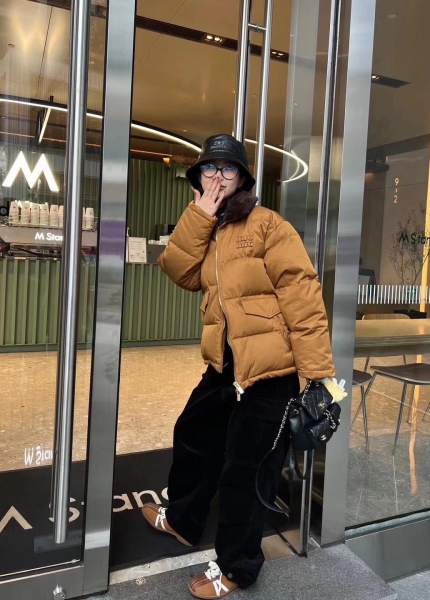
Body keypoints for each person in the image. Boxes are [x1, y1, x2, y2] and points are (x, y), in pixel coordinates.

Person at [142, 134, 336, 599]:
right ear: (198, 177)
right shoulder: (205, 228)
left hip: (272, 372)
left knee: (246, 472)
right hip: (224, 366)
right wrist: (199, 216)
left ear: (243, 178)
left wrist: (316, 377)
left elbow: (303, 299)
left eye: (228, 169)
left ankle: (237, 567)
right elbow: (178, 270)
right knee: (193, 434)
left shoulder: (269, 225)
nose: (218, 177)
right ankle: (185, 519)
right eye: (209, 168)